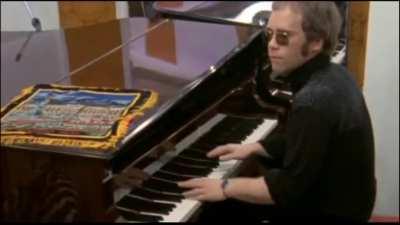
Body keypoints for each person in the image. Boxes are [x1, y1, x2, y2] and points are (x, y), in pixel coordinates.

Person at [178, 1, 376, 222]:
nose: (271, 45)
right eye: (269, 34)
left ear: (316, 43)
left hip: (334, 213)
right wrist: (256, 147)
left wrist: (225, 187)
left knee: (216, 210)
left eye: (283, 37)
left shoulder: (313, 101)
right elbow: (308, 142)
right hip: (348, 201)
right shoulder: (335, 74)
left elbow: (286, 190)